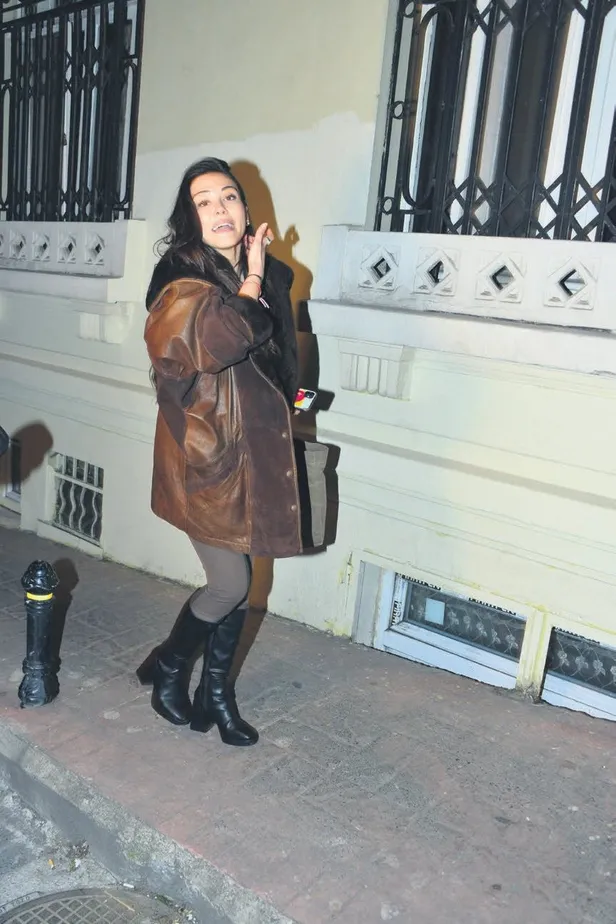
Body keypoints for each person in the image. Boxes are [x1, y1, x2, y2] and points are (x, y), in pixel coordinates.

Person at [137, 157, 301, 747]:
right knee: (230, 583)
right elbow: (216, 341)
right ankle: (168, 667)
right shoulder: (180, 283)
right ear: (190, 219)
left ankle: (216, 696)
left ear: (245, 209)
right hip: (205, 457)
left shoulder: (272, 276)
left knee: (245, 579)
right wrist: (252, 280)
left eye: (228, 196)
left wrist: (295, 399)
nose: (220, 209)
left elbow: (281, 357)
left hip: (256, 449)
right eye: (203, 202)